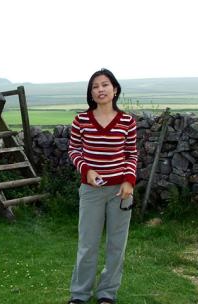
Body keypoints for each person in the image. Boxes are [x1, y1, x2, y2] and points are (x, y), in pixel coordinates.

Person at [67, 68, 138, 304]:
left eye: (105, 84)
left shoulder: (127, 121)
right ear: (91, 93)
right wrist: (86, 171)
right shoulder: (81, 120)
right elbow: (74, 150)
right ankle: (79, 295)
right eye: (95, 86)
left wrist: (129, 181)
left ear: (115, 89)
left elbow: (131, 154)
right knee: (87, 245)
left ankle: (107, 294)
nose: (100, 90)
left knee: (116, 246)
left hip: (121, 192)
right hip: (91, 192)